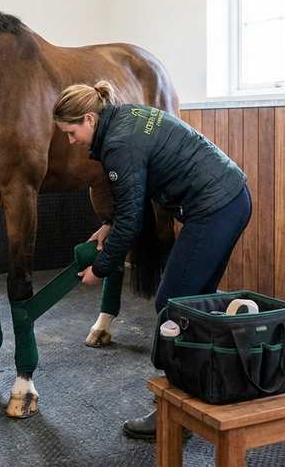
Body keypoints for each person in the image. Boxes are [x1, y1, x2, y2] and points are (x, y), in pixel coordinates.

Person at [53, 80, 252, 440]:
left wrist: (99, 269)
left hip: (215, 208)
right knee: (194, 304)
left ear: (88, 119)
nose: (71, 141)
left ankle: (171, 415)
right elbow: (134, 193)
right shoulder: (125, 118)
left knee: (171, 305)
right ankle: (207, 393)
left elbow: (133, 219)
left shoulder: (118, 144)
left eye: (71, 132)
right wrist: (108, 225)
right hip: (232, 198)